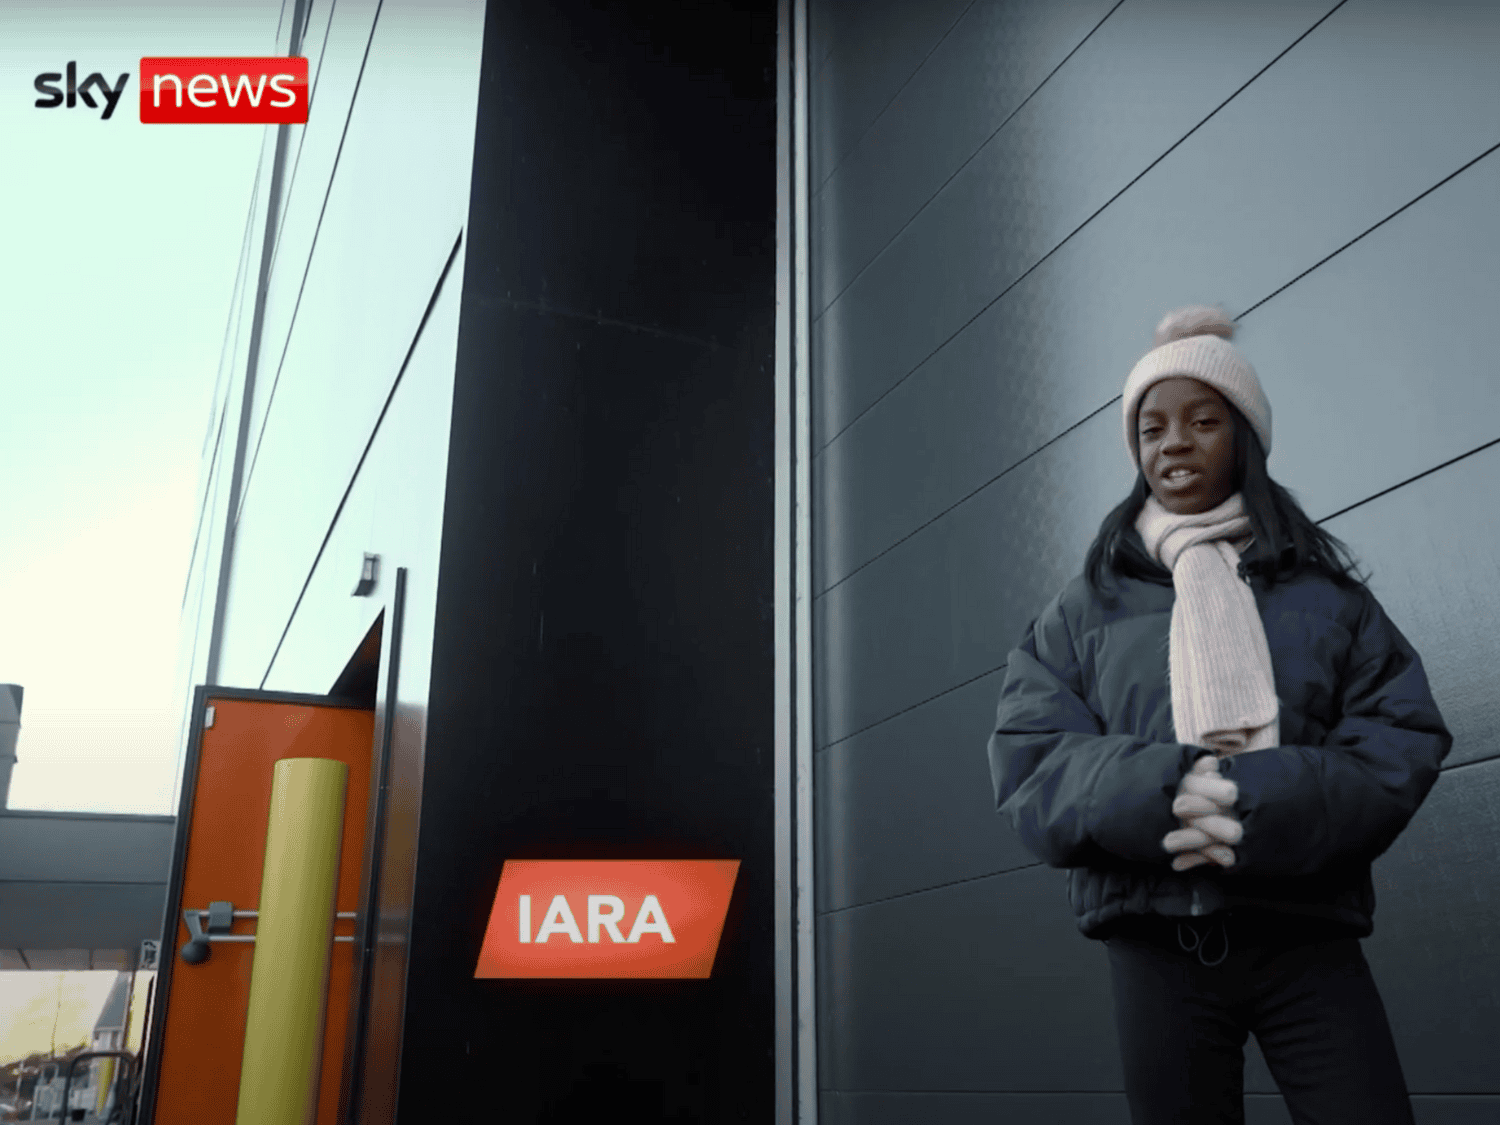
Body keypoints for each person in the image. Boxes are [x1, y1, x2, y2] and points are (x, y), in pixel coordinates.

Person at [986, 306, 1451, 1125]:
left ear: (1244, 436)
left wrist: (1248, 801)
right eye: (1152, 427)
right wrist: (1166, 793)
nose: (1173, 443)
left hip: (1307, 933)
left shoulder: (1328, 596)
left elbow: (1401, 736)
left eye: (1202, 421)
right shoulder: (1082, 609)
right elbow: (1031, 761)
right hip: (1154, 943)